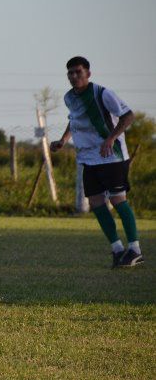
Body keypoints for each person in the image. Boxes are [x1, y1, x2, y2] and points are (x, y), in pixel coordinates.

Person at [51, 56, 143, 267]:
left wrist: (111, 138)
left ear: (88, 74)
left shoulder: (102, 93)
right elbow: (73, 120)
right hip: (89, 159)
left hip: (111, 157)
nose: (74, 76)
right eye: (70, 73)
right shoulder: (69, 97)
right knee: (96, 203)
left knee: (118, 200)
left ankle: (135, 249)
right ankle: (118, 249)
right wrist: (63, 140)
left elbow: (128, 116)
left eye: (78, 72)